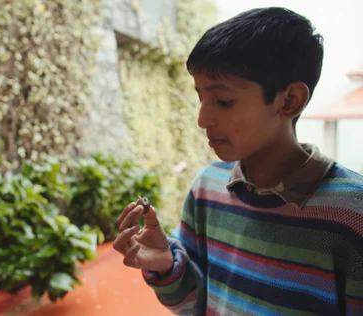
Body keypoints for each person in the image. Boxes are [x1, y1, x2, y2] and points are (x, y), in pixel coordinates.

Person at [114, 7, 363, 316]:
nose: (203, 119)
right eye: (200, 98)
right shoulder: (207, 189)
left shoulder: (353, 213)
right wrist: (167, 263)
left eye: (224, 101)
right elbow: (194, 304)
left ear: (289, 100)